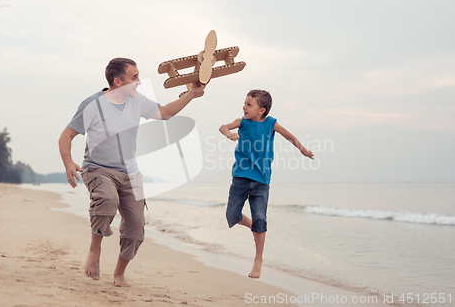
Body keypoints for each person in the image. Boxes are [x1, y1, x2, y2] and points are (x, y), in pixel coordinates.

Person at [58, 57, 205, 287]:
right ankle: (94, 250)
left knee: (136, 227)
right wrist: (68, 162)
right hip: (98, 169)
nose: (139, 82)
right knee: (107, 199)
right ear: (118, 82)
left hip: (131, 173)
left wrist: (191, 94)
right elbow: (66, 135)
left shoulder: (136, 101)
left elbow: (165, 113)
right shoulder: (92, 105)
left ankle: (119, 273)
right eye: (134, 77)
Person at [219, 89, 314, 279]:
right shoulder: (242, 122)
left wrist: (303, 150)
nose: (244, 107)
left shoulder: (271, 123)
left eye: (249, 104)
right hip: (240, 177)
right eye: (244, 103)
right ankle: (255, 227)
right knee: (232, 215)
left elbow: (289, 136)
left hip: (262, 180)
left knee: (261, 219)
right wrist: (229, 134)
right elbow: (223, 126)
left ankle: (258, 260)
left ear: (261, 110)